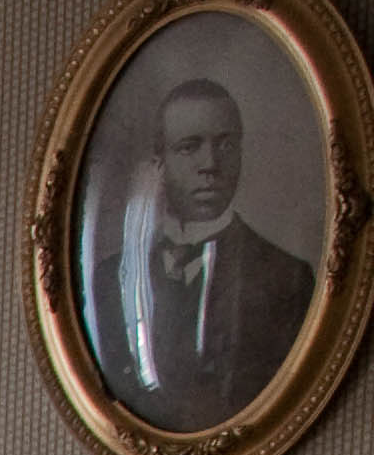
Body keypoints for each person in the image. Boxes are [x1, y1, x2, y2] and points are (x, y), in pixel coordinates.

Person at [88, 76, 318, 433]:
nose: (210, 164)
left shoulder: (285, 278)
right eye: (189, 147)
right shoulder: (109, 278)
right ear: (159, 162)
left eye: (225, 145)